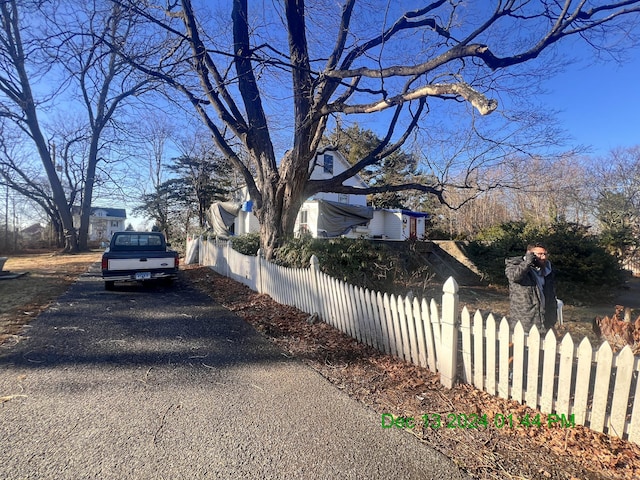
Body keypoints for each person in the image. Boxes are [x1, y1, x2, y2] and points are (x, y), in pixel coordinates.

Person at [505, 242, 557, 335]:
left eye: (545, 254)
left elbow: (551, 296)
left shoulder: (547, 270)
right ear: (529, 254)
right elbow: (514, 277)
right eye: (540, 254)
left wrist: (552, 320)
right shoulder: (515, 265)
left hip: (544, 321)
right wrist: (527, 263)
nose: (543, 257)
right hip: (524, 322)